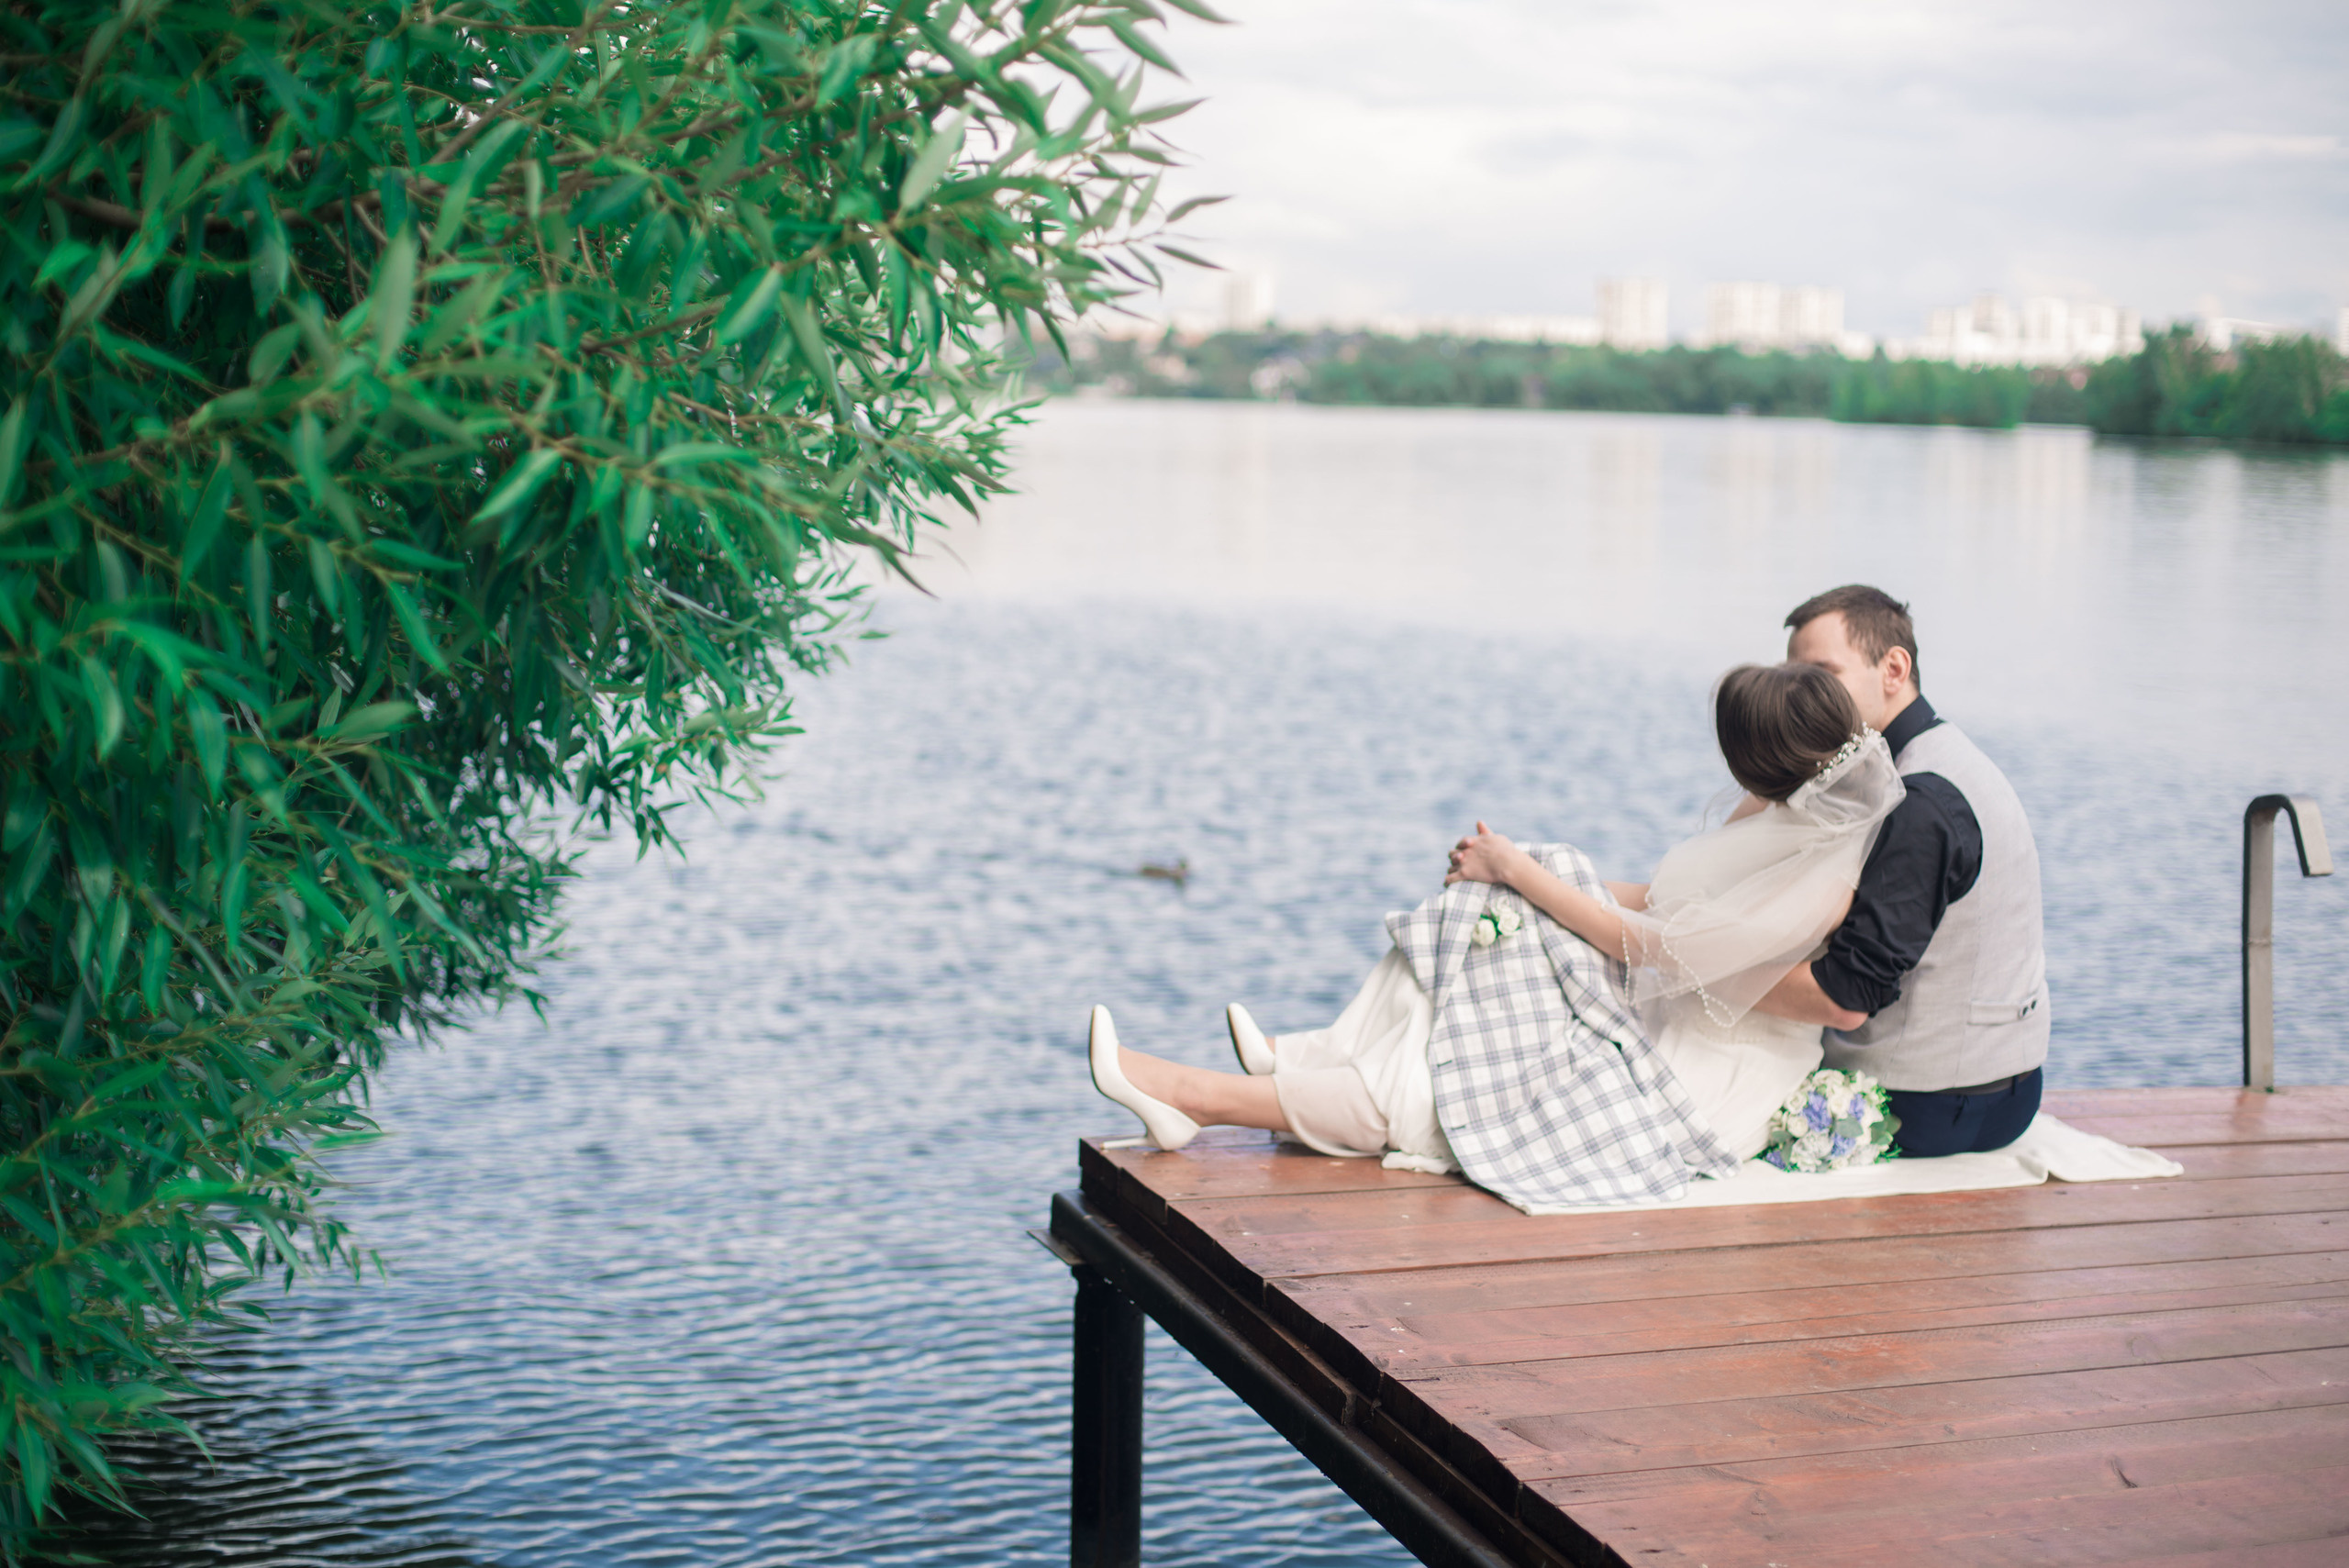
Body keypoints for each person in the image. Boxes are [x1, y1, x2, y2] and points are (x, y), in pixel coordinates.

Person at [1085, 662, 1909, 1210]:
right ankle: (1316, 1054)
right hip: (1668, 1008)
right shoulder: (1775, 811)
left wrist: (1525, 872)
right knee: (1492, 917)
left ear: (1766, 761)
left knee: (1446, 1093)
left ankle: (1190, 1096)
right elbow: (1663, 898)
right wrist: (1521, 871)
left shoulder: (1821, 877)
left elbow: (1658, 948)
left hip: (1709, 1065)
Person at [1742, 585, 2049, 1157]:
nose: (1799, 695)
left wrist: (1703, 977)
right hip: (2005, 1081)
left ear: (1894, 668)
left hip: (1932, 1100)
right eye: (1793, 676)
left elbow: (1847, 996)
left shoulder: (1919, 799)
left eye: (1822, 673)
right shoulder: (1936, 755)